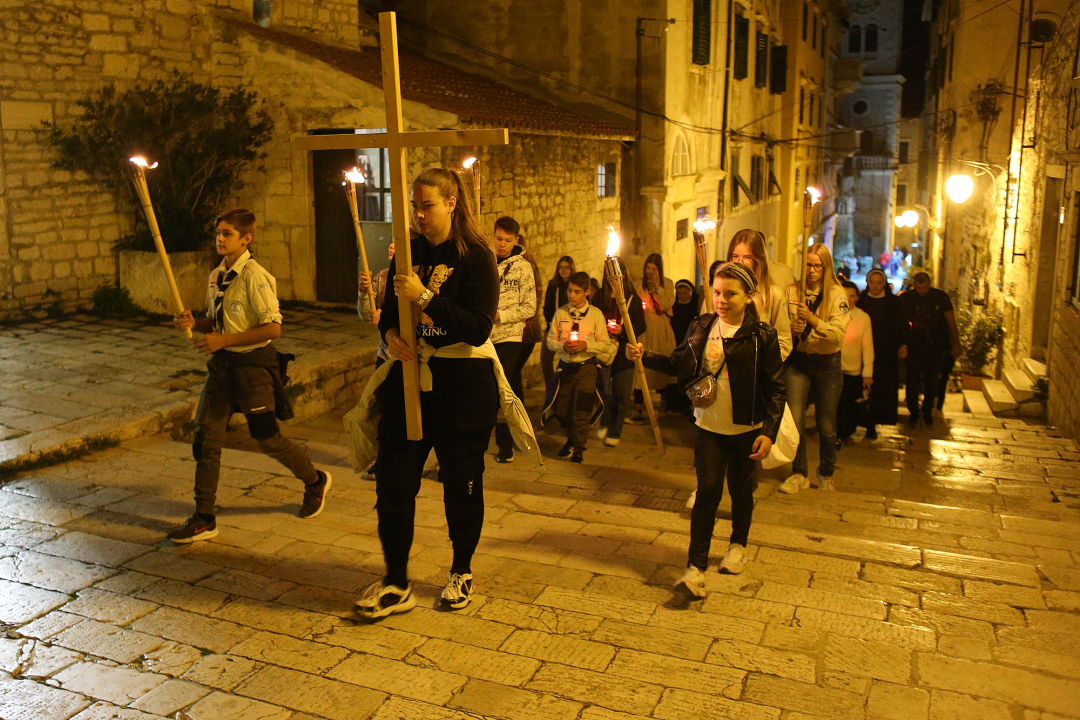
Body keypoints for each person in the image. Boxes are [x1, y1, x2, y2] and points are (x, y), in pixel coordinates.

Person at [358, 167, 501, 619]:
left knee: (461, 483)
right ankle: (397, 581)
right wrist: (390, 338)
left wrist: (426, 298)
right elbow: (387, 314)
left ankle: (461, 569)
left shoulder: (477, 257)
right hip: (409, 383)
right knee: (394, 482)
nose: (419, 215)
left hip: (462, 387)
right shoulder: (409, 253)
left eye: (428, 206)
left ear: (452, 203)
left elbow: (478, 328)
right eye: (415, 206)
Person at [170, 209, 331, 543]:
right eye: (217, 232)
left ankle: (315, 480)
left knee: (268, 439)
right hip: (221, 371)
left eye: (227, 233)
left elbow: (273, 327)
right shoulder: (216, 276)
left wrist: (223, 340)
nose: (219, 239)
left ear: (246, 238)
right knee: (206, 439)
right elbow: (214, 321)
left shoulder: (255, 277)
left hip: (253, 371)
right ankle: (204, 516)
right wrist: (193, 324)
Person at [628, 262, 785, 593]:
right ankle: (695, 567)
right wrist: (645, 355)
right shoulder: (701, 325)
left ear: (749, 296)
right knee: (707, 494)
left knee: (742, 492)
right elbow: (677, 363)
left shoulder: (762, 336)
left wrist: (768, 432)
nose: (722, 300)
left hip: (747, 429)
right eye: (716, 293)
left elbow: (776, 388)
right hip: (708, 427)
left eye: (730, 294)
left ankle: (738, 546)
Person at [780, 243, 850, 494]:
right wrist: (792, 329)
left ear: (825, 267)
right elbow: (781, 326)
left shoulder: (836, 294)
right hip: (799, 361)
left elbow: (837, 335)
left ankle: (827, 472)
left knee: (826, 424)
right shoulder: (792, 291)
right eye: (807, 265)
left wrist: (812, 320)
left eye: (817, 265)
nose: (811, 270)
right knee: (795, 420)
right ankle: (798, 472)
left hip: (827, 362)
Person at [542, 271, 616, 462]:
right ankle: (571, 439)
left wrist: (587, 345)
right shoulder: (561, 313)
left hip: (587, 369)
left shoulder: (595, 315)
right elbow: (550, 341)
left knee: (581, 410)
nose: (571, 295)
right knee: (562, 409)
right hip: (566, 367)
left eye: (576, 292)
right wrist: (563, 345)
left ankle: (579, 450)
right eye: (569, 291)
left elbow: (606, 344)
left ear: (587, 292)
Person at [491, 216, 537, 463]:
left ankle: (506, 443)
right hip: (485, 336)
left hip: (509, 336)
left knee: (504, 388)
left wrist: (502, 315)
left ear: (516, 240)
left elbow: (529, 306)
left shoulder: (523, 268)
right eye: (499, 239)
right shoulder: (486, 262)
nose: (502, 245)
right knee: (486, 387)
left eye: (508, 240)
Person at [898, 271, 962, 428]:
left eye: (924, 287)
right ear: (914, 285)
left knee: (932, 380)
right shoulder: (906, 299)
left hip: (936, 346)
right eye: (919, 288)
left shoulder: (940, 297)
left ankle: (927, 412)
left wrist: (956, 343)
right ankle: (913, 412)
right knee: (912, 380)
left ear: (930, 285)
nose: (922, 291)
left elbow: (950, 320)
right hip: (913, 346)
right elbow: (899, 323)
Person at [596, 258, 647, 447]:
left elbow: (641, 325)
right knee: (605, 391)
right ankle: (605, 421)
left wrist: (623, 331)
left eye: (617, 273)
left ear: (623, 274)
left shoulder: (632, 299)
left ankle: (615, 430)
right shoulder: (600, 297)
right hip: (605, 350)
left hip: (624, 352)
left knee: (621, 394)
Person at [727, 229, 793, 361]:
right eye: (735, 256)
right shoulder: (718, 293)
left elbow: (784, 341)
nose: (740, 262)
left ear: (758, 259)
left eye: (747, 257)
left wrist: (766, 365)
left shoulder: (773, 295)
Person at [856, 269, 900, 433]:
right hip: (862, 351)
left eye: (879, 282)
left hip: (886, 352)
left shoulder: (893, 302)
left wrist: (903, 344)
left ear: (884, 284)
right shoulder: (861, 302)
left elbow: (900, 325)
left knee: (882, 387)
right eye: (872, 282)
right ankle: (865, 420)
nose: (875, 286)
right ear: (867, 283)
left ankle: (880, 418)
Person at [634, 253, 676, 419]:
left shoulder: (668, 284)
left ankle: (664, 403)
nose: (650, 272)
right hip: (645, 329)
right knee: (641, 368)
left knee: (662, 365)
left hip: (661, 327)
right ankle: (639, 408)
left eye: (654, 269)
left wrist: (658, 289)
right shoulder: (639, 285)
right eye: (648, 268)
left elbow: (667, 304)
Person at [838, 280, 874, 445]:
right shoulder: (832, 313)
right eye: (845, 295)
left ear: (857, 298)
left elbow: (867, 348)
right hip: (833, 368)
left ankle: (845, 432)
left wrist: (868, 374)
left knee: (849, 403)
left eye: (852, 295)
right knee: (836, 404)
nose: (849, 299)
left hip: (852, 370)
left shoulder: (863, 318)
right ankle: (837, 434)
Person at [542, 256, 575, 391]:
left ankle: (565, 387)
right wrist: (550, 321)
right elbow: (547, 307)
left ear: (571, 268)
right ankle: (551, 387)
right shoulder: (553, 285)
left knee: (568, 359)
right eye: (561, 267)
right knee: (545, 358)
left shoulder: (574, 286)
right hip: (553, 327)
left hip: (569, 328)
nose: (564, 270)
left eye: (567, 267)